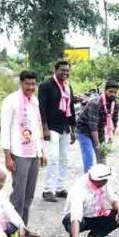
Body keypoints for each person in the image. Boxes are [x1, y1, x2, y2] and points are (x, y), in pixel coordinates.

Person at [1, 70, 47, 237]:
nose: (30, 87)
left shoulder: (34, 100)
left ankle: (23, 229)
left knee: (29, 195)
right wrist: (7, 155)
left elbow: (38, 127)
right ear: (20, 83)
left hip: (34, 152)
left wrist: (42, 151)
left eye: (33, 84)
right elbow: (5, 129)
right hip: (19, 153)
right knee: (18, 195)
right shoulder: (10, 101)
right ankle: (12, 231)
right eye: (27, 84)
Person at [63, 164, 119, 237]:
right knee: (75, 220)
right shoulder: (79, 189)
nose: (106, 182)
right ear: (98, 181)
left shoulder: (103, 182)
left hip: (95, 215)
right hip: (77, 219)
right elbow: (75, 217)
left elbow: (113, 199)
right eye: (105, 181)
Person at [38, 60, 79, 203]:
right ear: (55, 70)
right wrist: (44, 128)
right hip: (52, 127)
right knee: (54, 158)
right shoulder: (46, 86)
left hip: (65, 127)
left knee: (65, 159)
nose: (65, 73)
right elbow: (41, 108)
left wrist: (73, 130)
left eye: (67, 70)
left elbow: (71, 109)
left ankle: (60, 188)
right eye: (62, 70)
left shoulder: (68, 87)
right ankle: (48, 190)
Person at [76, 80, 119, 170]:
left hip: (99, 131)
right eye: (110, 91)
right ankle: (87, 182)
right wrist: (97, 145)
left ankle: (101, 182)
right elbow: (93, 125)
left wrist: (110, 140)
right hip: (84, 130)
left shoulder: (116, 104)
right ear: (105, 91)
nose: (113, 94)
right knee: (89, 160)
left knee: (102, 160)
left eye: (115, 92)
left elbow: (114, 123)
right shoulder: (95, 103)